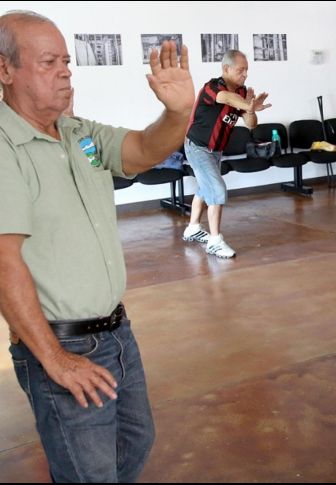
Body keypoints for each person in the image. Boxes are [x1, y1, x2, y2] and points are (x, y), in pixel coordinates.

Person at [0, 10, 194, 482]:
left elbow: (146, 149)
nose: (65, 70)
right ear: (5, 70)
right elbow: (4, 262)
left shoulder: (78, 132)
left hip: (115, 331)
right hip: (62, 342)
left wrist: (177, 113)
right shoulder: (5, 147)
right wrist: (55, 359)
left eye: (66, 60)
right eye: (48, 62)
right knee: (89, 472)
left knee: (134, 440)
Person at [182, 49, 271, 258]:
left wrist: (250, 110)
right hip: (197, 147)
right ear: (226, 69)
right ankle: (214, 241)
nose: (245, 74)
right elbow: (225, 98)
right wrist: (247, 104)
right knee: (216, 188)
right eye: (241, 70)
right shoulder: (213, 87)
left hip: (215, 150)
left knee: (205, 188)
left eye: (247, 70)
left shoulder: (241, 93)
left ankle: (193, 228)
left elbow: (251, 125)